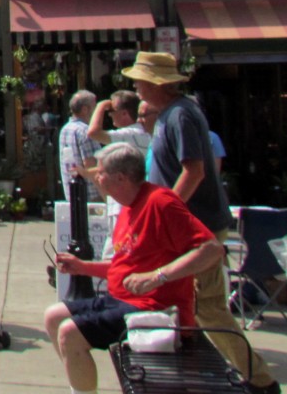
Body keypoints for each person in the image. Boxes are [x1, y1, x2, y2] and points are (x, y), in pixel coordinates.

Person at [122, 51, 279, 394]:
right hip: (192, 225)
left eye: (139, 79)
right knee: (194, 303)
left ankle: (260, 380)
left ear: (155, 83)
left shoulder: (180, 116)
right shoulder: (173, 114)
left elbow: (194, 171)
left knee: (208, 308)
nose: (134, 85)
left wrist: (168, 211)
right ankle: (240, 372)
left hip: (197, 226)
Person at [44, 143, 223, 394]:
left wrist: (158, 276)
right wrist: (83, 267)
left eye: (101, 171)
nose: (96, 175)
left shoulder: (160, 202)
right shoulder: (127, 206)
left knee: (69, 333)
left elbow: (212, 250)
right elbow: (125, 267)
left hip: (156, 309)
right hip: (123, 300)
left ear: (120, 178)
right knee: (54, 316)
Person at [59, 89, 101, 202]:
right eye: (95, 107)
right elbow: (91, 164)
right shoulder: (85, 131)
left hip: (72, 193)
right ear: (85, 109)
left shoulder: (65, 129)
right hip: (91, 195)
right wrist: (104, 193)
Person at [87, 90, 151, 153]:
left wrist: (100, 105)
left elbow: (93, 133)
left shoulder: (129, 134)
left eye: (111, 110)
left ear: (124, 113)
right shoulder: (142, 130)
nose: (109, 114)